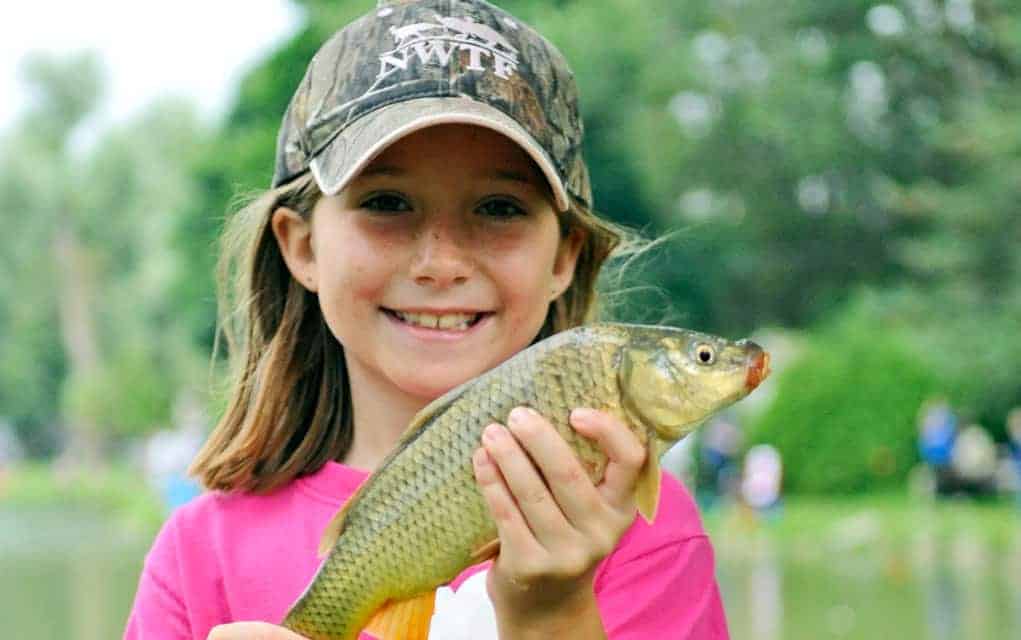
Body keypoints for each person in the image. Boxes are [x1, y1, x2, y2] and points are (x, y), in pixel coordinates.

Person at [124, 1, 730, 638]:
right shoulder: (199, 554)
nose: (441, 262)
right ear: (302, 247)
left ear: (565, 258)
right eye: (387, 203)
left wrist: (554, 616)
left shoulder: (649, 537)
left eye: (499, 207)